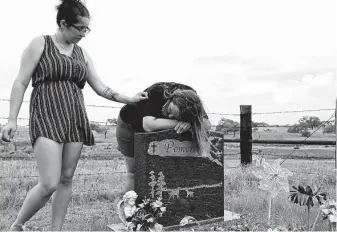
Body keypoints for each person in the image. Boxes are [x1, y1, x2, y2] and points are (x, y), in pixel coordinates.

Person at [0, 0, 147, 230]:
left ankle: (56, 230)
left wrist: (129, 98)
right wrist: (11, 119)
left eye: (86, 29)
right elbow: (20, 82)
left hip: (74, 118)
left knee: (66, 179)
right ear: (63, 24)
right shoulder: (40, 44)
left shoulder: (82, 54)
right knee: (49, 182)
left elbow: (101, 88)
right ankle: (16, 225)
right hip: (46, 116)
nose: (84, 34)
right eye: (80, 28)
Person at [116, 82, 212, 192]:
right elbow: (148, 125)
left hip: (157, 129)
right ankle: (128, 205)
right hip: (130, 124)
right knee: (134, 172)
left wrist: (190, 123)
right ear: (171, 98)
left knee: (159, 171)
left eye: (177, 117)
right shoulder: (157, 91)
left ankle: (150, 206)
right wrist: (180, 122)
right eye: (171, 111)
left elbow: (207, 125)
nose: (169, 116)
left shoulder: (192, 100)